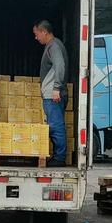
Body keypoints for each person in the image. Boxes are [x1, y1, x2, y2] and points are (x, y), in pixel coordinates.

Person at [32, 20, 68, 165]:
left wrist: (56, 88)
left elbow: (60, 65)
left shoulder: (54, 46)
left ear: (44, 32)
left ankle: (59, 158)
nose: (36, 38)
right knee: (54, 125)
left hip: (53, 95)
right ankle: (57, 156)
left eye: (36, 34)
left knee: (56, 126)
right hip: (52, 94)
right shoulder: (53, 45)